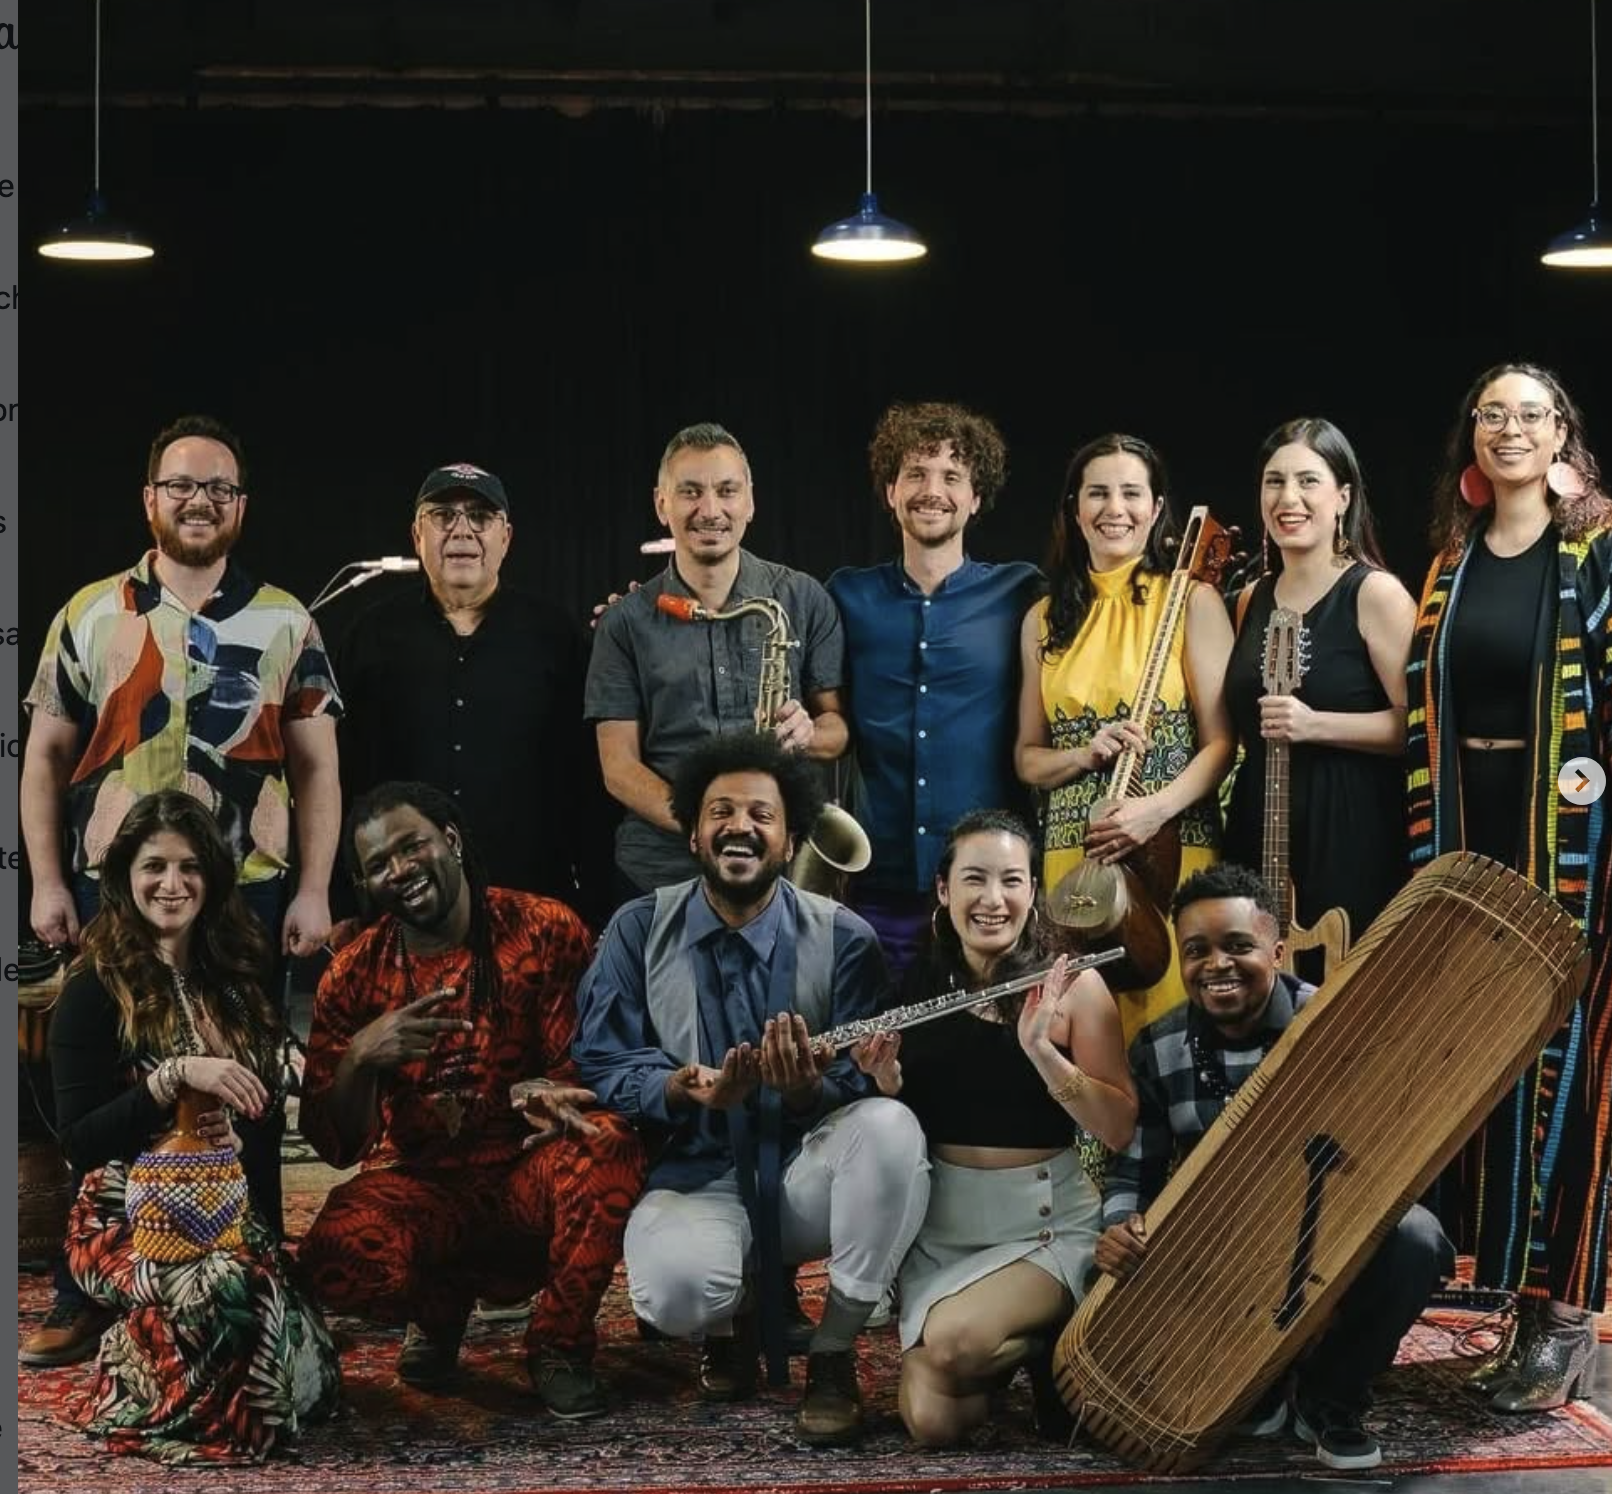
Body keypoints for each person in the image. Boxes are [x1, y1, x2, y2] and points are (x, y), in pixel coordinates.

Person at [19, 413, 342, 1368]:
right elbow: (44, 758)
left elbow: (318, 768)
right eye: (181, 485)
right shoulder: (89, 613)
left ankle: (259, 1266)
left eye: (219, 488)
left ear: (241, 505)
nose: (199, 501)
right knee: (112, 1082)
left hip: (247, 892)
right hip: (116, 891)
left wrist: (315, 888)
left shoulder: (285, 619)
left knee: (245, 1086)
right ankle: (87, 1284)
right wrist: (46, 879)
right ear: (150, 499)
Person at [573, 732, 929, 1446]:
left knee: (891, 1131)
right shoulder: (637, 928)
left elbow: (860, 1078)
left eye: (762, 814)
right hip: (695, 1173)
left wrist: (806, 1093)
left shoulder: (846, 937)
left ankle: (832, 1352)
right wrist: (678, 1088)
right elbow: (601, 1057)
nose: (741, 826)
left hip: (803, 1177)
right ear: (693, 832)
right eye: (721, 811)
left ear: (790, 838)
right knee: (673, 1294)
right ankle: (731, 1317)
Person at [1095, 863, 1453, 1472]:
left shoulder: (1336, 1024)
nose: (1217, 965)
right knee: (1104, 1274)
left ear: (1278, 952)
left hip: (1327, 1227)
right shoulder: (1158, 1044)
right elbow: (1135, 1170)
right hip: (1216, 1241)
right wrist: (1121, 1228)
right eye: (1197, 951)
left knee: (1418, 1238)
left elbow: (1389, 1148)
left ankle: (1331, 1395)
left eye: (1238, 946)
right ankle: (1248, 1380)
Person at [1404, 360, 1612, 1410]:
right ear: (1473, 436)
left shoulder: (1597, 549)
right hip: (1472, 838)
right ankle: (1517, 1306)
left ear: (1561, 433)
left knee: (1569, 1075)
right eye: (1492, 414)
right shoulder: (1451, 563)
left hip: (1574, 841)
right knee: (1489, 1066)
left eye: (1531, 414)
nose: (1510, 429)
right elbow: (1424, 709)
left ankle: (1564, 1320)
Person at [46, 790, 341, 1462]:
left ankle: (205, 1360)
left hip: (224, 1205)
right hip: (122, 1210)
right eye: (154, 866)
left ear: (212, 877)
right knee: (227, 1294)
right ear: (124, 877)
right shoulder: (94, 987)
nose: (171, 884)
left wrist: (247, 1156)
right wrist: (171, 1078)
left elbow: (263, 1120)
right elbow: (78, 1144)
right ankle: (145, 1379)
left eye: (189, 867)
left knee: (298, 1348)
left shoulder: (234, 976)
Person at [851, 809, 1135, 1447]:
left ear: (1032, 891)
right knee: (934, 1424)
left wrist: (1043, 1053)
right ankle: (1028, 1348)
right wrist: (888, 1081)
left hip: (1042, 1225)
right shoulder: (919, 981)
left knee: (952, 1345)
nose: (993, 899)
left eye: (1011, 880)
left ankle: (1043, 1339)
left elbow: (1118, 1128)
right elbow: (922, 1112)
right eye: (974, 879)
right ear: (944, 890)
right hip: (943, 1232)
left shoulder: (1074, 986)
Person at [1014, 433, 1235, 1042]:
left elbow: (1222, 744)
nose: (1115, 509)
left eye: (1132, 493)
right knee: (1088, 1039)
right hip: (1075, 860)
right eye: (1098, 493)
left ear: (1157, 507)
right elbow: (1027, 759)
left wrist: (1152, 811)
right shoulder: (1041, 618)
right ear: (1074, 508)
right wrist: (1082, 754)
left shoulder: (1192, 601)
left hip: (1169, 853)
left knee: (1174, 1032)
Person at [331, 462, 611, 927]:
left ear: (506, 537)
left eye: (480, 517)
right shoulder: (370, 636)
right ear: (417, 535)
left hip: (531, 901)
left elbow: (589, 780)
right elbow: (341, 776)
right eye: (443, 516)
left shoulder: (556, 636)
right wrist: (341, 900)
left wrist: (597, 903)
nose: (462, 530)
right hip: (402, 906)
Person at [585, 423, 847, 900]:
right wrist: (708, 827)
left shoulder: (803, 598)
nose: (710, 510)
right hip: (660, 872)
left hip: (781, 871)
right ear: (662, 504)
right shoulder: (624, 622)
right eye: (691, 492)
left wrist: (808, 733)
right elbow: (618, 768)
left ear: (750, 501)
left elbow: (839, 729)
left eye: (727, 491)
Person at [827, 403, 1043, 980]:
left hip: (989, 891)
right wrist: (641, 614)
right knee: (877, 1033)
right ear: (890, 491)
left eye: (952, 476)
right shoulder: (844, 596)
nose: (932, 491)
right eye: (916, 474)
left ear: (975, 498)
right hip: (879, 880)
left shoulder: (1023, 591)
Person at [1222, 419, 1417, 966]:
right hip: (1259, 821)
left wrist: (1314, 724)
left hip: (1351, 826)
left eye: (1308, 481)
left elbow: (1417, 725)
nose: (1288, 498)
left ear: (1342, 497)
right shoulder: (1250, 599)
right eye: (1274, 482)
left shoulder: (1374, 593)